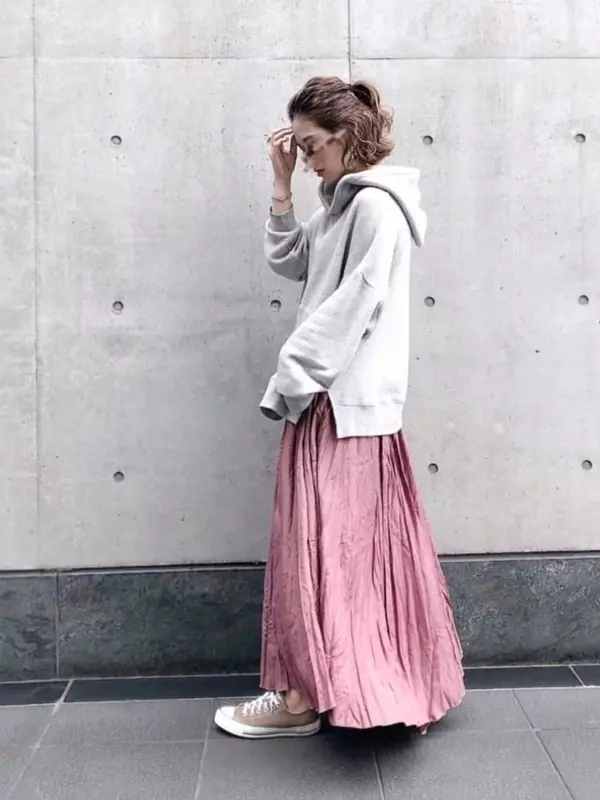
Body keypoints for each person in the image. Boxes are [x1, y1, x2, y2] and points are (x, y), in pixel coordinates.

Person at [214, 76, 465, 739]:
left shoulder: (375, 208)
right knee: (336, 554)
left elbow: (354, 308)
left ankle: (304, 701)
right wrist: (281, 186)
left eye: (312, 146)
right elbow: (293, 259)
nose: (307, 159)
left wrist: (289, 377)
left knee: (326, 555)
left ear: (348, 136)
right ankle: (331, 689)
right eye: (300, 148)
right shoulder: (340, 206)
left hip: (341, 407)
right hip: (330, 403)